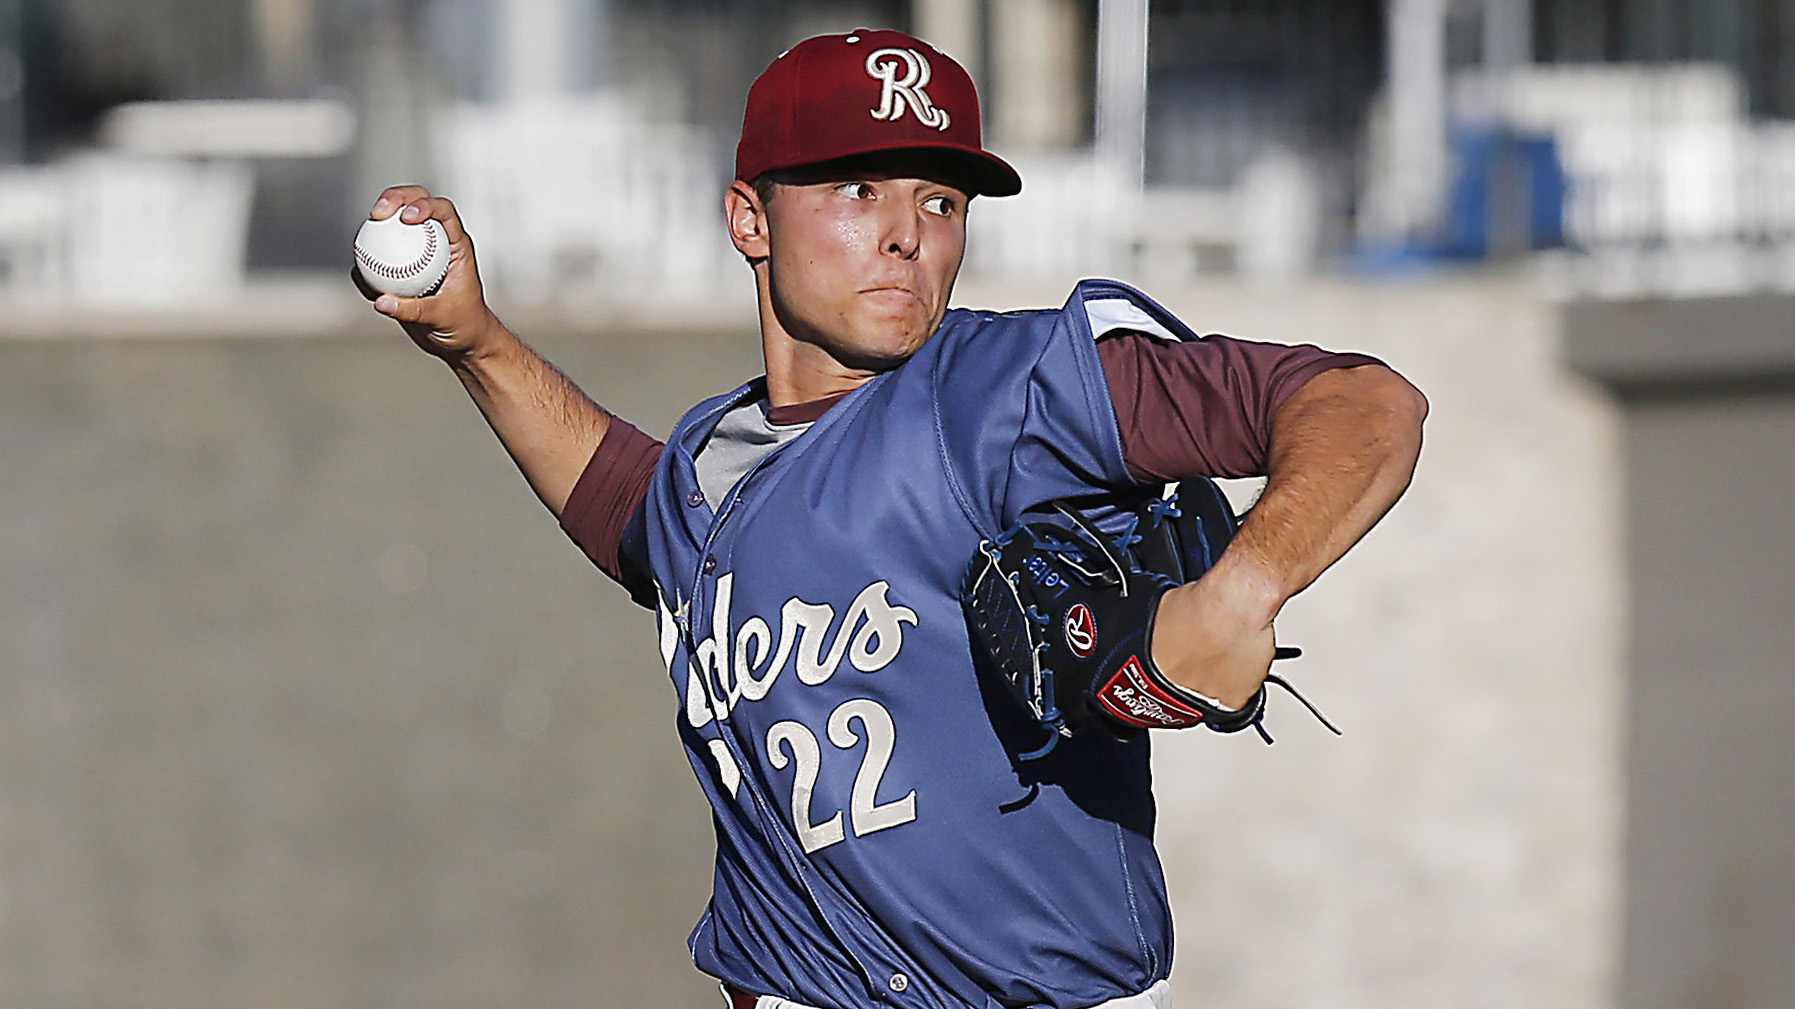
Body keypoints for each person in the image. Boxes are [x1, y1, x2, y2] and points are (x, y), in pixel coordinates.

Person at [362, 28, 1425, 1009]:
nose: (907, 235)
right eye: (858, 187)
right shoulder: (707, 459)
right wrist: (478, 342)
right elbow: (634, 518)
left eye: (940, 200)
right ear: (748, 220)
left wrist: (1244, 586)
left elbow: (1365, 404)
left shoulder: (1011, 390)